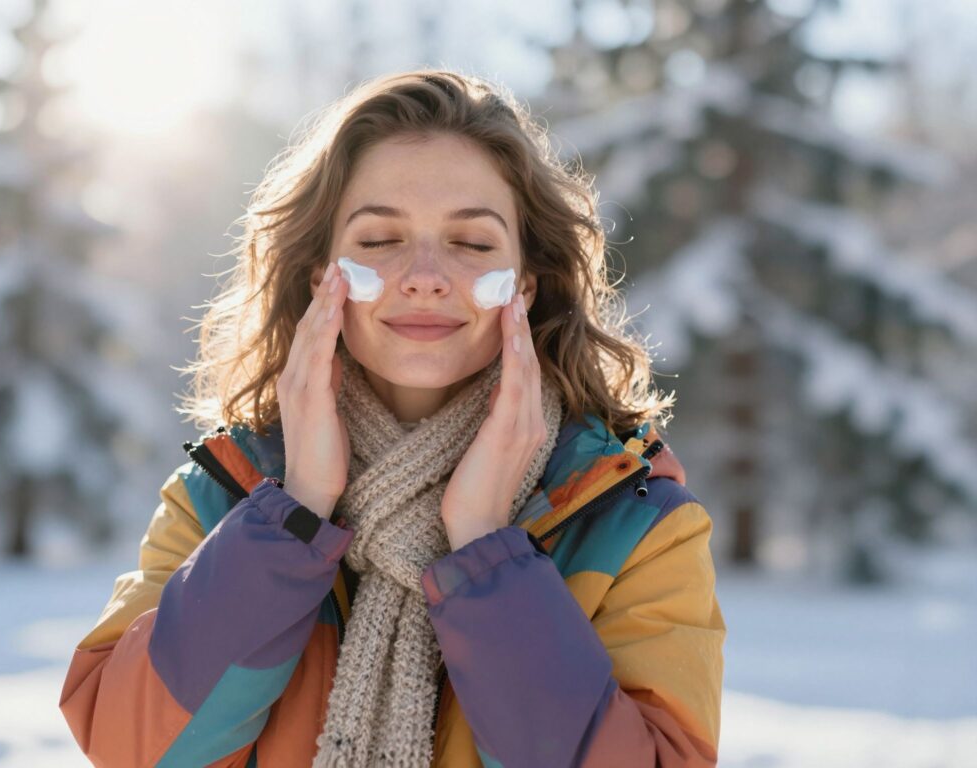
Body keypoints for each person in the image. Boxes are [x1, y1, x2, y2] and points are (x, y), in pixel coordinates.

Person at [59, 69, 725, 768]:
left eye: (472, 244)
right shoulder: (221, 499)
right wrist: (298, 510)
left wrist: (483, 548)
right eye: (379, 240)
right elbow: (136, 752)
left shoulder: (639, 528)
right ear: (323, 279)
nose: (426, 274)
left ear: (525, 287)